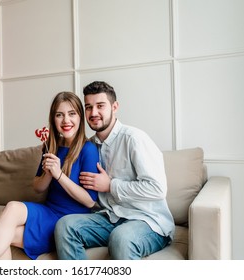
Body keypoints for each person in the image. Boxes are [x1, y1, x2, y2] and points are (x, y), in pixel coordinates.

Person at [54, 81, 175, 260]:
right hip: (110, 217)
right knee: (65, 225)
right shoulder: (90, 146)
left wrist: (111, 186)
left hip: (147, 220)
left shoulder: (134, 139)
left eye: (100, 106)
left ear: (115, 107)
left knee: (121, 238)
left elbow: (157, 189)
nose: (93, 113)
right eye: (88, 107)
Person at [0, 91, 100, 260]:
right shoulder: (51, 146)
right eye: (59, 115)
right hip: (48, 211)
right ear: (53, 119)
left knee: (3, 236)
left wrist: (59, 175)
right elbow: (38, 187)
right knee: (11, 211)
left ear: (80, 118)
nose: (66, 121)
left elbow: (90, 201)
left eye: (72, 114)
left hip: (68, 222)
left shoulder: (88, 150)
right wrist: (48, 173)